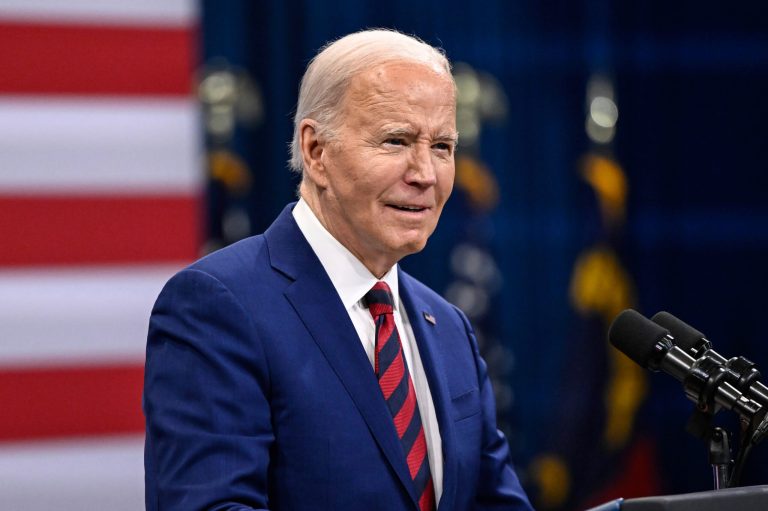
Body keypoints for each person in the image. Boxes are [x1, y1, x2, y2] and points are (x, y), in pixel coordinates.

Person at [143, 29, 533, 511]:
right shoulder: (218, 305)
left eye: (442, 147)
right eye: (396, 140)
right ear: (316, 152)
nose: (425, 174)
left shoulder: (448, 326)